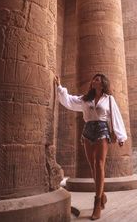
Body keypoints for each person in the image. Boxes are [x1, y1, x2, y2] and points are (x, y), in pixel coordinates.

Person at [54, 73, 127, 220]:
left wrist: (120, 136)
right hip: (87, 131)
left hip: (102, 130)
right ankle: (103, 194)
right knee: (93, 167)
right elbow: (69, 100)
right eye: (93, 79)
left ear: (103, 83)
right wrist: (60, 87)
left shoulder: (109, 99)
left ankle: (97, 202)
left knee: (99, 164)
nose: (94, 81)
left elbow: (115, 115)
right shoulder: (85, 99)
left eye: (97, 79)